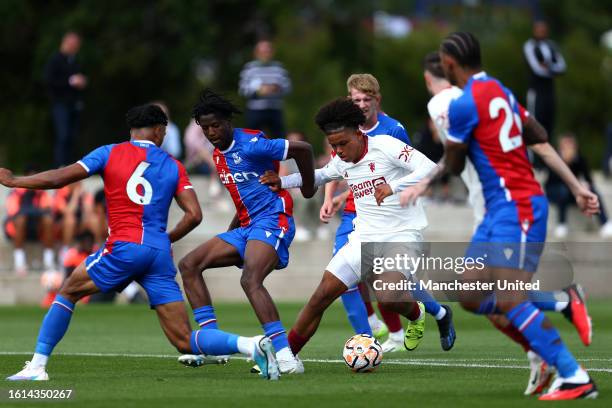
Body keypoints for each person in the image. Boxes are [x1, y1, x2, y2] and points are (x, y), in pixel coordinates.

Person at [3, 103, 280, 382]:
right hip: (158, 253)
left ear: (133, 131)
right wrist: (165, 238)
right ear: (160, 131)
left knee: (67, 292)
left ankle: (37, 367)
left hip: (123, 246)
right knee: (184, 340)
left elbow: (61, 178)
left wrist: (16, 181)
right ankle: (253, 344)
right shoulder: (173, 165)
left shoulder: (109, 152)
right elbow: (194, 215)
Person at [403, 50, 595, 395]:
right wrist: (577, 187)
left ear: (434, 75)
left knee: (505, 298)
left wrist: (424, 183)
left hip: (503, 205)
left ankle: (565, 367)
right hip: (495, 209)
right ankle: (558, 310)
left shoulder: (446, 104)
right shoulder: (497, 92)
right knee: (472, 295)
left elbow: (454, 160)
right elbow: (541, 142)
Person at [261, 98, 436, 359]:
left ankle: (416, 313)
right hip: (362, 238)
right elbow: (320, 174)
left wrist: (394, 186)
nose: (339, 151)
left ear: (358, 133)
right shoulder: (341, 161)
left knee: (387, 296)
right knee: (320, 297)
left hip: (402, 234)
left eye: (343, 143)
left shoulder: (386, 146)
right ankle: (286, 358)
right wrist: (282, 181)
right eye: (334, 146)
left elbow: (430, 168)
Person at [176, 89, 316, 375]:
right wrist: (231, 232)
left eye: (216, 125)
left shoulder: (252, 144)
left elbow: (304, 149)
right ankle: (213, 345)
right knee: (189, 265)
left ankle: (286, 355)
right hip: (246, 226)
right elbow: (244, 199)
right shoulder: (217, 155)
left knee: (250, 280)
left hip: (274, 220)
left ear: (228, 121)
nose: (212, 132)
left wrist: (307, 186)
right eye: (206, 128)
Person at [322, 73, 454, 353]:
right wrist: (330, 196)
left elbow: (403, 172)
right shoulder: (345, 127)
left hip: (386, 213)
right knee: (346, 272)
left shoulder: (393, 130)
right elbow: (337, 166)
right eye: (355, 99)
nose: (361, 105)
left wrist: (392, 190)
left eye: (366, 99)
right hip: (354, 212)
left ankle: (431, 315)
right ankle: (370, 334)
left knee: (384, 278)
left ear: (376, 100)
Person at [545, 133, 612, 238]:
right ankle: (561, 224)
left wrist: (585, 185)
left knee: (592, 190)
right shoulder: (554, 160)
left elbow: (588, 179)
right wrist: (564, 163)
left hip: (572, 192)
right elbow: (552, 181)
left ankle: (605, 223)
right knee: (563, 190)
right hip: (556, 192)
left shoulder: (580, 159)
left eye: (570, 146)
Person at [44, 31, 87, 167]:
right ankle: (60, 166)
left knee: (72, 136)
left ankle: (70, 165)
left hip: (74, 104)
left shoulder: (75, 60)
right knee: (63, 135)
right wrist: (70, 81)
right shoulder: (55, 60)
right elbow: (49, 81)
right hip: (60, 104)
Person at [3, 165, 56, 276]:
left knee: (48, 220)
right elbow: (13, 213)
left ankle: (48, 260)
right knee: (21, 219)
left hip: (37, 228)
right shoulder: (16, 193)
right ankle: (19, 261)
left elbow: (47, 210)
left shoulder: (42, 193)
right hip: (17, 229)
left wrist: (32, 213)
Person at [239, 39, 291, 139]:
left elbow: (288, 87)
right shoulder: (249, 68)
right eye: (263, 52)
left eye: (268, 51)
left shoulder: (279, 68)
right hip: (255, 110)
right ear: (256, 53)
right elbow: (242, 89)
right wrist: (258, 91)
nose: (265, 54)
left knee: (279, 139)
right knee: (252, 139)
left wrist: (277, 88)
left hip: (275, 109)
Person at [523, 21, 566, 139]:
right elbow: (537, 69)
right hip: (536, 92)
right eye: (539, 29)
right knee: (535, 126)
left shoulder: (551, 45)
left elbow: (562, 66)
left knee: (549, 127)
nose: (542, 32)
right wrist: (552, 69)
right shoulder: (530, 45)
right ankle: (533, 157)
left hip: (550, 91)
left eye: (544, 29)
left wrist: (548, 66)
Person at [52, 181, 94, 263]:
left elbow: (89, 211)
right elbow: (68, 212)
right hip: (60, 227)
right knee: (70, 219)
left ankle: (95, 248)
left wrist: (83, 199)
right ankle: (65, 250)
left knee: (92, 219)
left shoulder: (84, 195)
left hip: (79, 226)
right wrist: (75, 195)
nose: (78, 185)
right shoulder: (61, 194)